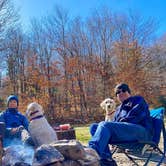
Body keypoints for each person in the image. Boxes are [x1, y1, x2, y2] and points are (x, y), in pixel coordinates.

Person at [88, 83, 153, 166]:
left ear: (129, 92)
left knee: (105, 124)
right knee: (94, 127)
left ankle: (90, 155)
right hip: (125, 134)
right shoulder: (118, 109)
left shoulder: (138, 100)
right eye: (118, 92)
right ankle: (107, 160)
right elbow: (115, 125)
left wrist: (121, 121)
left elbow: (137, 116)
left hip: (141, 132)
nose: (121, 93)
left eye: (123, 90)